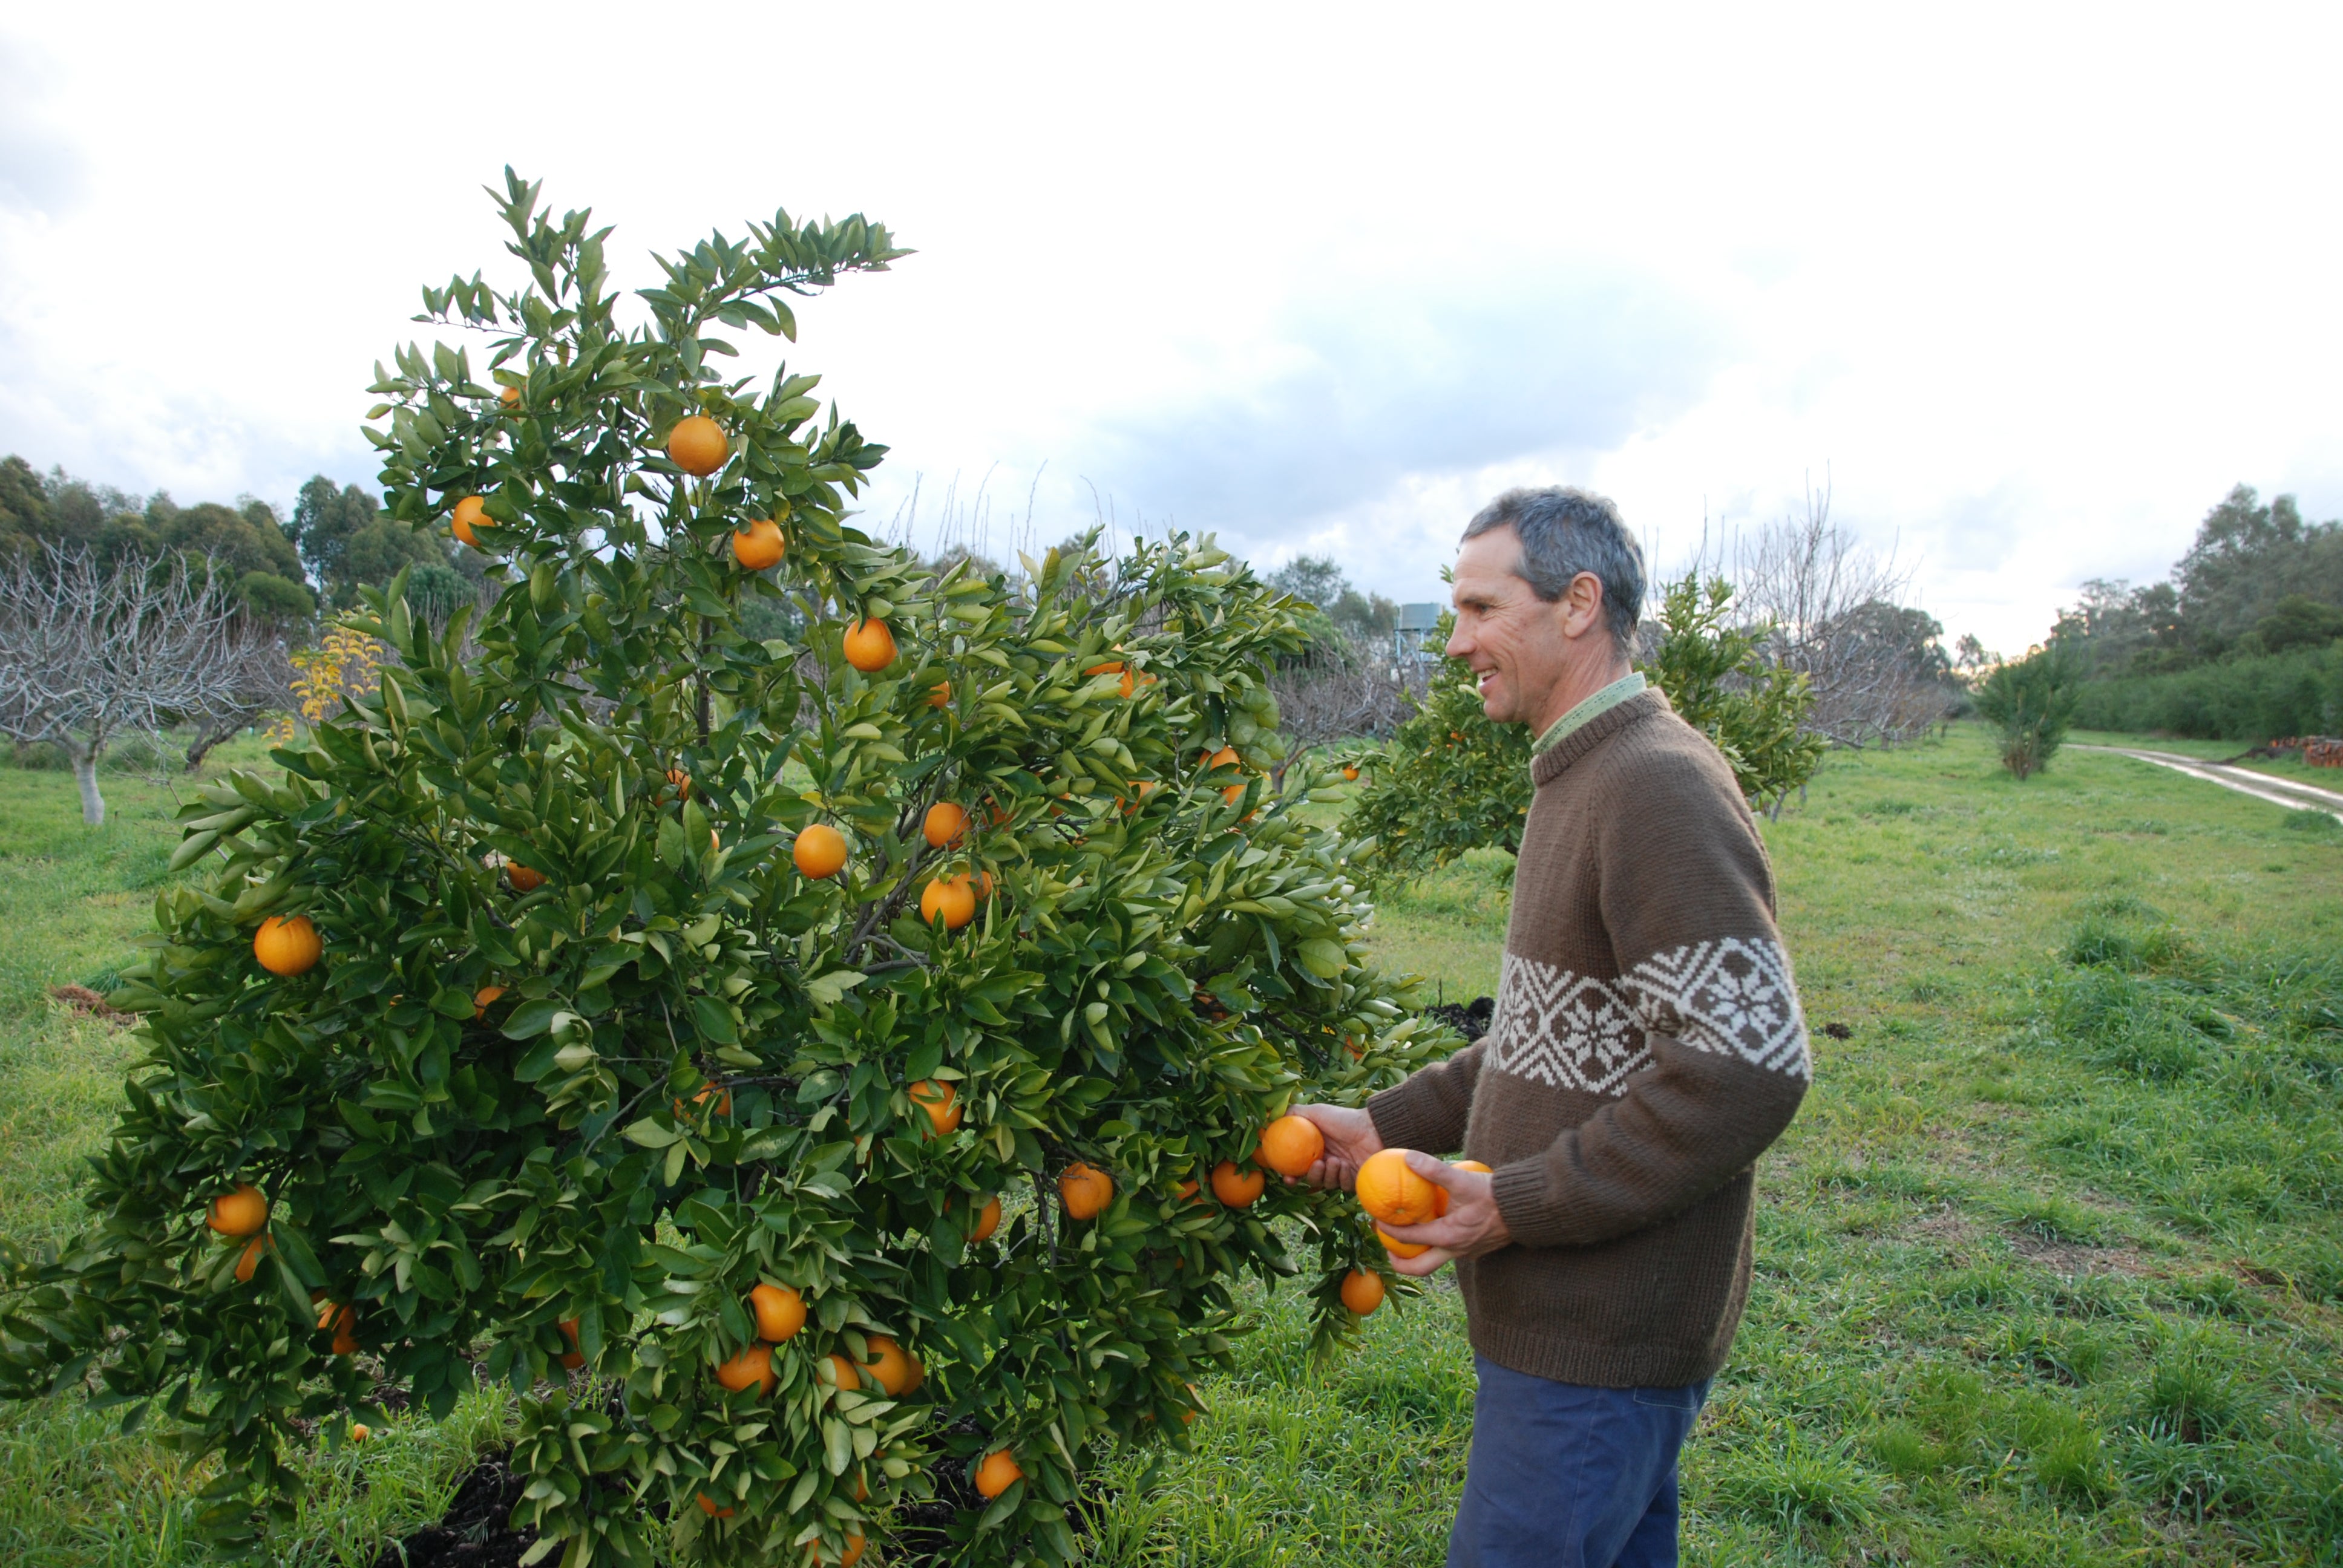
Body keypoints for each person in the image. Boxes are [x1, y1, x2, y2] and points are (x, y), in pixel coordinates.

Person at [1294, 486, 1810, 1568]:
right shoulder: (1584, 773)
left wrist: (1519, 1204)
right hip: (1583, 1328)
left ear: (1579, 604)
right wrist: (1385, 1125)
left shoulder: (1650, 785)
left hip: (1600, 1338)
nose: (1456, 641)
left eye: (1482, 608)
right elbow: (1550, 1029)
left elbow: (1744, 1071)